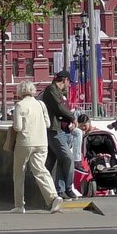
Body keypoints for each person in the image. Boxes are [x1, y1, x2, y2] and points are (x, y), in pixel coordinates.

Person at [10, 80, 63, 214]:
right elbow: (47, 124)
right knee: (40, 170)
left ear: (20, 91)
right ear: (33, 90)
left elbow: (18, 127)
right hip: (41, 142)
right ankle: (53, 197)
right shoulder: (41, 104)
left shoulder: (19, 106)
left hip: (25, 143)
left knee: (19, 173)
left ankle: (19, 205)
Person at [43, 70, 77, 199]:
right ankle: (67, 188)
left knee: (54, 161)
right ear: (65, 80)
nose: (69, 85)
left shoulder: (58, 92)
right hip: (53, 130)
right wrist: (72, 117)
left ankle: (58, 190)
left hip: (59, 130)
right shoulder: (51, 90)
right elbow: (58, 108)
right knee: (68, 158)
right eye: (69, 82)